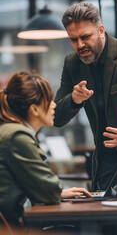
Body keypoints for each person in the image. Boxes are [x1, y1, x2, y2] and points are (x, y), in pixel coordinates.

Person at [54, 1, 117, 191]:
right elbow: (56, 117)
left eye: (86, 37)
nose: (80, 45)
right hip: (105, 163)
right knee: (102, 219)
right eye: (73, 39)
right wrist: (74, 100)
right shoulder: (72, 63)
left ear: (101, 30)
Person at [0, 71, 92, 225]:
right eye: (49, 100)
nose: (54, 104)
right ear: (34, 110)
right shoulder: (17, 136)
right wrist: (56, 191)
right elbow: (49, 190)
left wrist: (58, 192)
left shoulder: (11, 131)